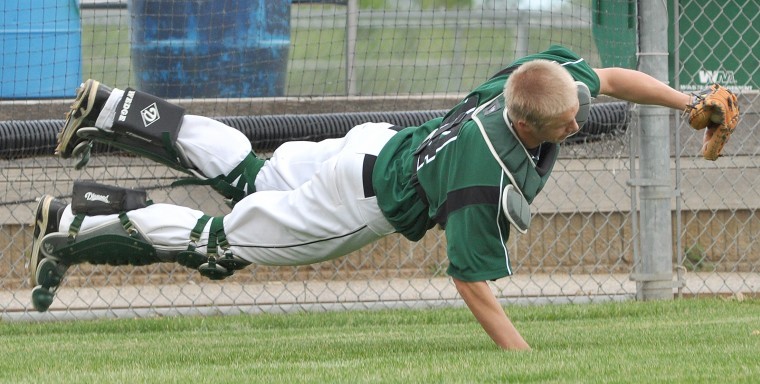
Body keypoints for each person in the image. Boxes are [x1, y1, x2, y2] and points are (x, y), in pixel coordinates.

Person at [28, 45, 708, 350]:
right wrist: (520, 356)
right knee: (220, 244)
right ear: (528, 124)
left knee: (250, 179)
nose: (578, 122)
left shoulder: (526, 83)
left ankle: (119, 109)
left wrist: (690, 105)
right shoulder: (485, 171)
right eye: (566, 123)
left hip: (367, 148)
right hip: (355, 202)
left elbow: (611, 79)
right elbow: (472, 280)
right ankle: (76, 221)